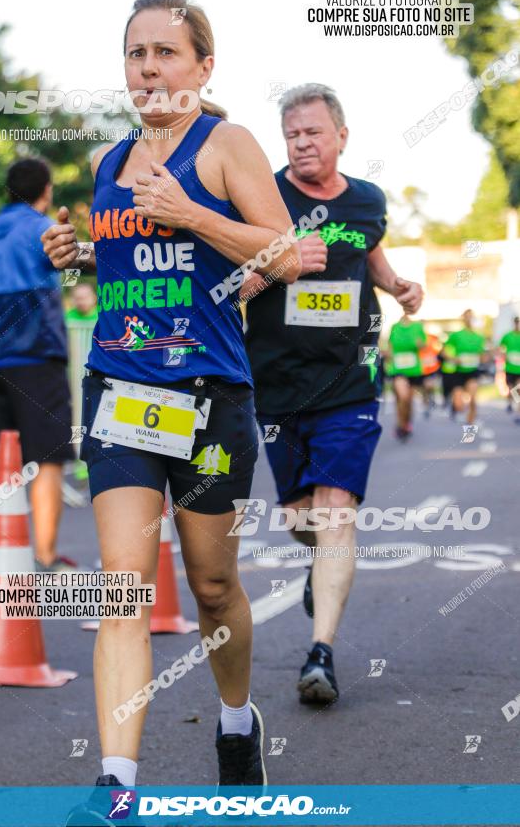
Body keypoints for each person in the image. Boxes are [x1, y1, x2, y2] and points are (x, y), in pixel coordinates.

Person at [41, 0, 301, 815]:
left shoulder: (226, 145)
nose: (148, 69)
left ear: (201, 65)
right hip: (120, 388)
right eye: (134, 54)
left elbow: (288, 253)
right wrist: (76, 253)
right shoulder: (107, 163)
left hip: (208, 395)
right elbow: (133, 262)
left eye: (164, 53)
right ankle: (116, 781)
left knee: (213, 584)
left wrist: (188, 210)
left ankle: (234, 722)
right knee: (124, 583)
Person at [241, 84, 423, 705]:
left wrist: (397, 284)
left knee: (335, 511)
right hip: (277, 384)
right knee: (301, 520)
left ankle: (321, 654)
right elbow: (231, 285)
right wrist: (279, 263)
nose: (302, 142)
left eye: (314, 132)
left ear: (342, 136)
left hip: (348, 380)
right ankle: (322, 568)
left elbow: (370, 249)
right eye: (292, 133)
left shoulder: (368, 200)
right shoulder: (263, 197)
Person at [0, 159, 77, 573]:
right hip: (37, 357)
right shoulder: (41, 228)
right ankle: (44, 557)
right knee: (48, 457)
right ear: (45, 190)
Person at [442, 309, 488, 425]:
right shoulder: (456, 336)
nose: (468, 319)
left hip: (472, 371)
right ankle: (454, 406)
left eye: (471, 317)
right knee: (459, 406)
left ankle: (470, 425)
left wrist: (485, 358)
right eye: (466, 317)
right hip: (458, 372)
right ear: (463, 319)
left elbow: (482, 356)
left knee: (473, 399)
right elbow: (443, 352)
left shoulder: (479, 337)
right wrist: (453, 359)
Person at [387, 314, 427, 440]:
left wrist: (420, 344)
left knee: (408, 401)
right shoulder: (395, 327)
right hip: (398, 369)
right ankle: (400, 424)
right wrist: (388, 354)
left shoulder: (417, 326)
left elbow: (424, 345)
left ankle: (406, 423)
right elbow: (390, 345)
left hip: (414, 370)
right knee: (402, 397)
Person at [499, 316, 520, 421]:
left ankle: (518, 411)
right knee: (512, 389)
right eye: (517, 323)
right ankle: (510, 403)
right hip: (510, 368)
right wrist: (503, 354)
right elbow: (500, 348)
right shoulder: (507, 336)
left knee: (518, 389)